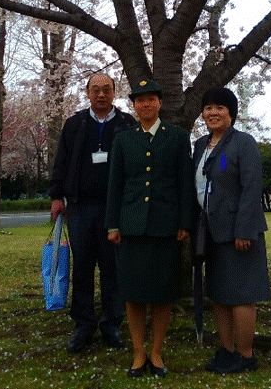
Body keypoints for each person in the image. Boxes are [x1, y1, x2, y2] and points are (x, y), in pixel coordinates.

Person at [105, 79, 195, 378]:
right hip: (131, 225)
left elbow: (185, 183)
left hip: (165, 225)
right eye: (140, 100)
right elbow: (115, 184)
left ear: (159, 103)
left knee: (161, 293)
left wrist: (184, 222)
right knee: (133, 293)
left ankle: (155, 351)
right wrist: (112, 224)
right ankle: (138, 352)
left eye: (151, 99)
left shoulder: (178, 138)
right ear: (134, 104)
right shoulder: (123, 139)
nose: (146, 105)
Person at [49, 73, 136, 353]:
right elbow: (60, 161)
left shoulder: (127, 124)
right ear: (87, 93)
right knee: (83, 266)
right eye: (95, 90)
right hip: (80, 207)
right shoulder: (74, 124)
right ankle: (84, 324)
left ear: (114, 93)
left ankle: (112, 323)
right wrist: (56, 196)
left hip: (115, 209)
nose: (101, 95)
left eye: (107, 90)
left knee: (113, 268)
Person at [193, 87, 271, 374]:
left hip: (239, 234)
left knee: (241, 294)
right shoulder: (201, 145)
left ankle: (245, 354)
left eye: (220, 108)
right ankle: (226, 350)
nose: (213, 113)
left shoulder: (243, 143)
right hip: (210, 233)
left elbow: (252, 189)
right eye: (208, 107)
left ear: (232, 113)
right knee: (220, 294)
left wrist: (244, 230)